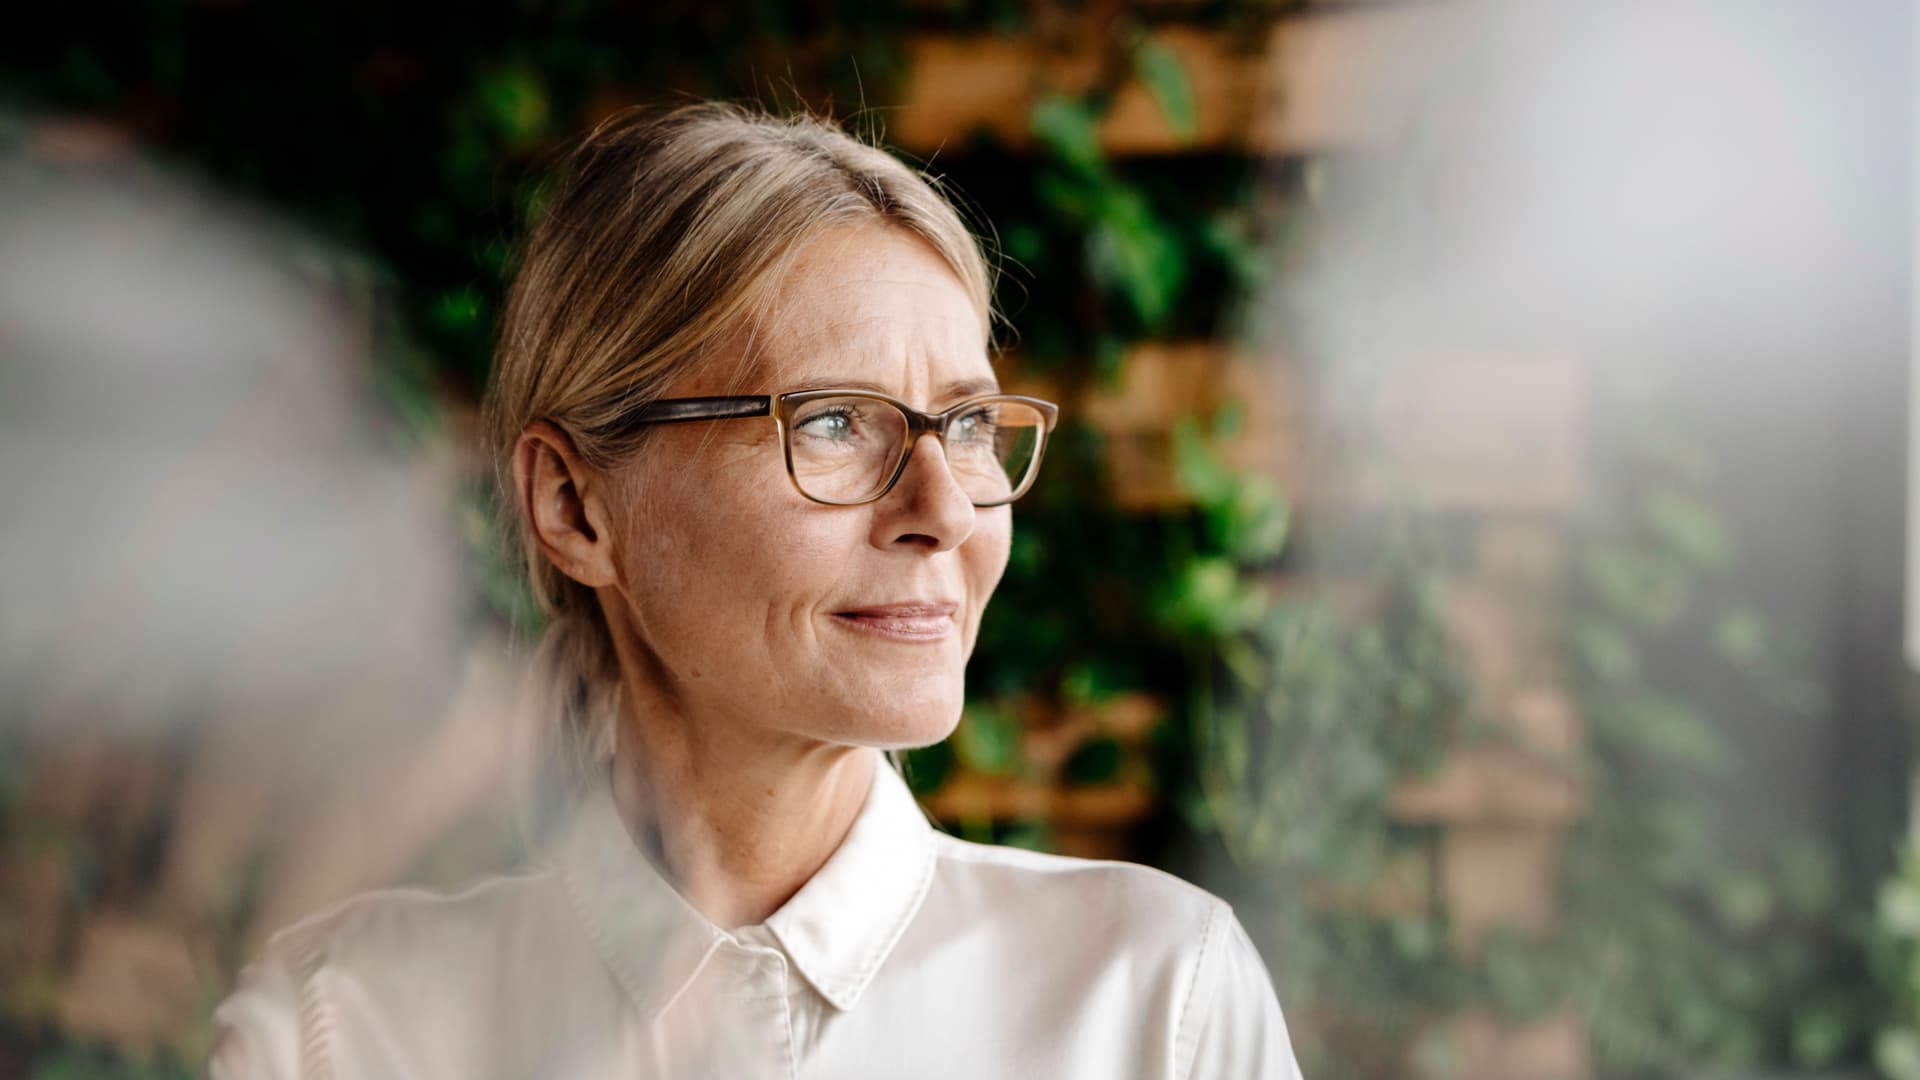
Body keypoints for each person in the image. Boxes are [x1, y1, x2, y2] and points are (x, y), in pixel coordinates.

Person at [209, 100, 1304, 1078]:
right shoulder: (340, 1029)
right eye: (832, 422)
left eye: (968, 424)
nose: (947, 510)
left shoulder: (1160, 999)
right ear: (576, 506)